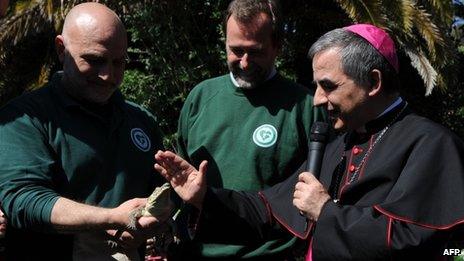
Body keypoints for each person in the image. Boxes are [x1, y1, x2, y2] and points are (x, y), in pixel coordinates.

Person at [155, 24, 464, 260]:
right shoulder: (340, 143)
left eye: (328, 87)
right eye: (316, 86)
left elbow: (422, 241)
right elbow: (271, 208)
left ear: (373, 82)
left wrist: (326, 212)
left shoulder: (433, 144)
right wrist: (205, 197)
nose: (316, 100)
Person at [0, 3, 167, 260]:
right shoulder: (25, 118)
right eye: (94, 60)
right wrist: (111, 219)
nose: (107, 75)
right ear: (61, 50)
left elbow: (163, 194)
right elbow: (25, 201)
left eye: (119, 62)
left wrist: (154, 219)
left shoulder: (141, 120)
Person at [174, 0, 324, 259]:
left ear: (277, 46)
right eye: (236, 50)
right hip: (198, 251)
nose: (244, 62)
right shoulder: (200, 97)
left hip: (271, 252)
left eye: (255, 52)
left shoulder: (306, 106)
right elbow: (180, 176)